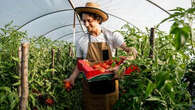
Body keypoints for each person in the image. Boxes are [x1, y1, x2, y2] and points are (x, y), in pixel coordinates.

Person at [65, 2, 137, 110]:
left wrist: (121, 66)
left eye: (89, 20)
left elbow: (130, 52)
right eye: (83, 21)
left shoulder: (112, 36)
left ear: (98, 19)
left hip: (109, 87)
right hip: (90, 89)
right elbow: (79, 64)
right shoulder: (81, 41)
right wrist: (72, 78)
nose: (85, 24)